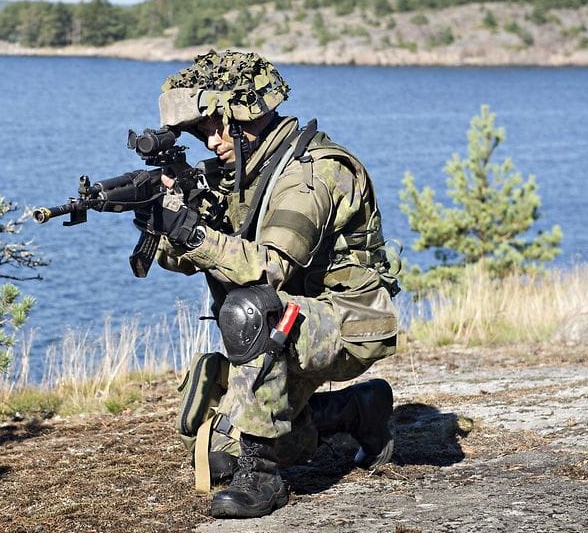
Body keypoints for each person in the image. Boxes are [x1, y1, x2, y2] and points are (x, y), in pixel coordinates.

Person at [134, 50, 401, 519]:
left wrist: (191, 232)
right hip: (303, 316)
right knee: (225, 450)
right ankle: (359, 410)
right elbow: (187, 262)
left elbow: (267, 267)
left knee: (250, 310)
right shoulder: (248, 171)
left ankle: (264, 476)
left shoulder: (311, 174)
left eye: (215, 125)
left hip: (350, 319)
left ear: (245, 113)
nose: (211, 139)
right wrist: (166, 223)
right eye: (200, 132)